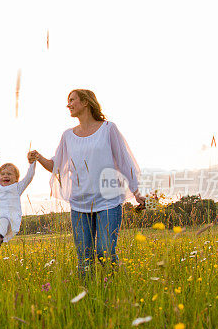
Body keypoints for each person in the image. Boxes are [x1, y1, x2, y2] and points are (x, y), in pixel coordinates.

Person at [29, 89, 145, 277]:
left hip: (108, 201)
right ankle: (87, 298)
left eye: (72, 100)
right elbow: (56, 166)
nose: (69, 104)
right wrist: (38, 157)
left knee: (104, 252)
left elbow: (124, 161)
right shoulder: (67, 136)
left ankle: (118, 284)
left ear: (85, 102)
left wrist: (137, 191)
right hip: (80, 204)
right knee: (84, 260)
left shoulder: (108, 129)